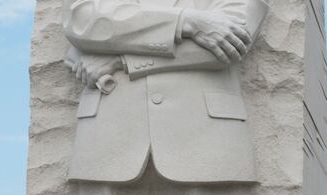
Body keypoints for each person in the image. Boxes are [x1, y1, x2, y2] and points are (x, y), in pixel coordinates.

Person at [62, 0, 269, 184]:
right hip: (105, 141)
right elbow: (82, 21)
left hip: (207, 141)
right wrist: (186, 21)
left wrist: (121, 60)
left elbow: (233, 41)